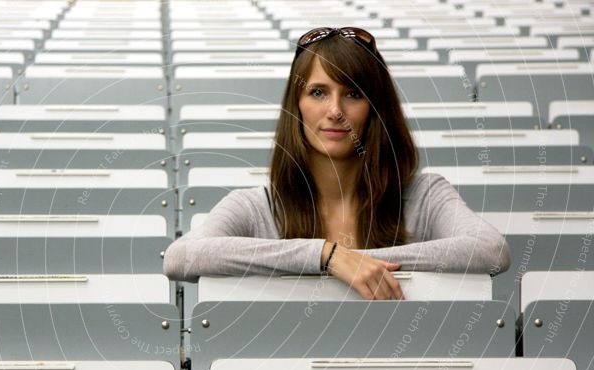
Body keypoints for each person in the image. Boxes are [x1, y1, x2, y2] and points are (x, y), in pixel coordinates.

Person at [163, 27, 510, 299]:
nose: (335, 111)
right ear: (296, 106)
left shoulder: (424, 194)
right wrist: (326, 256)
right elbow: (182, 257)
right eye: (318, 92)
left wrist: (358, 261)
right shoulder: (257, 206)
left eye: (353, 93)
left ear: (376, 110)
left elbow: (490, 251)